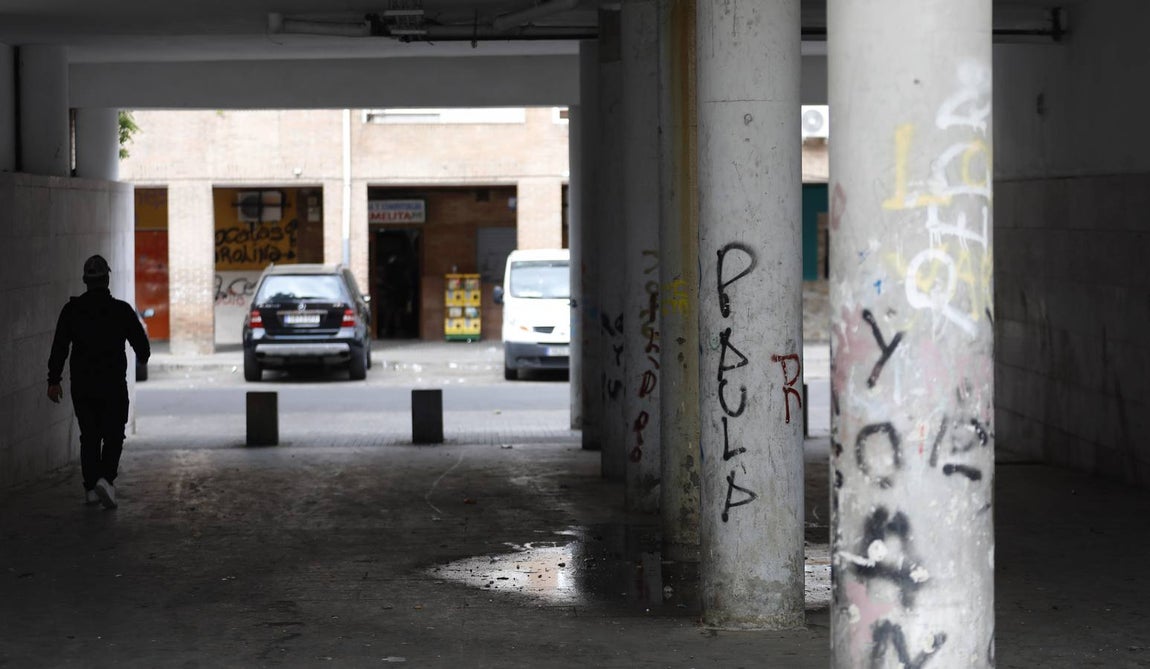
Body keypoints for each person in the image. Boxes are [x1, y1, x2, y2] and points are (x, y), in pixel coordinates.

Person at [47, 255, 150, 509]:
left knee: (89, 436)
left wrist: (54, 380)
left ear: (85, 281)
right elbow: (143, 349)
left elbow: (59, 347)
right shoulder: (121, 310)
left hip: (82, 386)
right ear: (107, 280)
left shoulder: (71, 310)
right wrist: (141, 355)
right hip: (113, 385)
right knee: (114, 435)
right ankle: (105, 479)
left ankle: (91, 488)